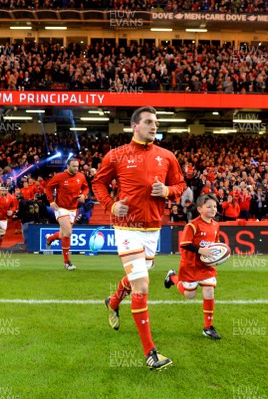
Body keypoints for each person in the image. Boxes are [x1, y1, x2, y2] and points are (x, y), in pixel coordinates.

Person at [92, 106, 186, 371]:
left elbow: (181, 185)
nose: (154, 126)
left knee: (139, 278)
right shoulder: (117, 155)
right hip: (126, 227)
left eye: (156, 122)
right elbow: (98, 183)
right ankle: (150, 353)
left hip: (152, 229)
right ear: (135, 126)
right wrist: (110, 205)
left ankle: (112, 301)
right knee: (142, 286)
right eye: (148, 122)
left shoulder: (166, 156)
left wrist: (167, 190)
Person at [164, 194, 222, 340]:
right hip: (190, 265)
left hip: (206, 267)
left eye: (214, 206)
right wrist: (200, 250)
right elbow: (184, 244)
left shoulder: (216, 225)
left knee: (209, 291)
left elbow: (216, 242)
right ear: (200, 209)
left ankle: (208, 327)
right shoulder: (192, 225)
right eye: (209, 206)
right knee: (189, 295)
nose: (213, 209)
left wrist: (217, 254)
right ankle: (172, 277)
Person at [44, 158, 89, 271]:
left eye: (77, 166)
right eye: (73, 166)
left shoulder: (81, 176)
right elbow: (48, 188)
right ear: (68, 166)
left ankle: (50, 238)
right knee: (68, 232)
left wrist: (83, 195)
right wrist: (51, 201)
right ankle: (66, 262)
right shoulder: (59, 176)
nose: (75, 168)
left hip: (73, 209)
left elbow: (86, 187)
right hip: (61, 208)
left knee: (62, 234)